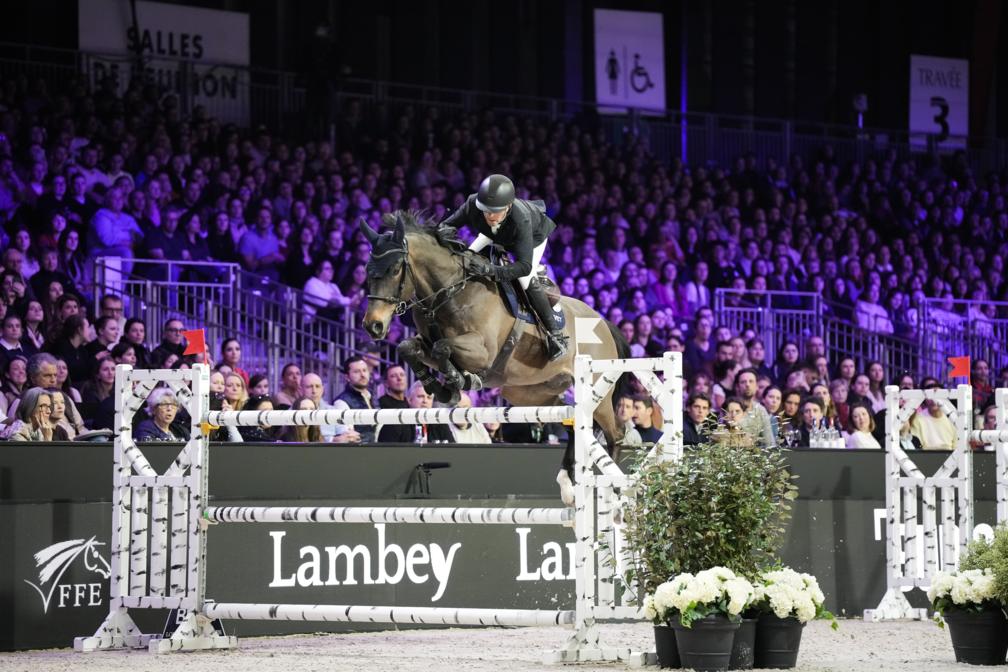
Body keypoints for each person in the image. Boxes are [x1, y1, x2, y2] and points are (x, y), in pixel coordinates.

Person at [443, 174, 568, 361]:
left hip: (531, 238)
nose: (489, 215)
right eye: (485, 210)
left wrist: (490, 271)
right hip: (494, 234)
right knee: (466, 258)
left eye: (495, 211)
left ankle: (555, 337)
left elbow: (524, 266)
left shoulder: (521, 219)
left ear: (508, 207)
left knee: (526, 279)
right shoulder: (472, 203)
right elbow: (447, 225)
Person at [378, 381, 454, 443]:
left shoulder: (439, 423)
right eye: (420, 396)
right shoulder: (396, 422)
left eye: (429, 397)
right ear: (409, 400)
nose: (425, 401)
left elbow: (453, 450)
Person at [303, 372, 360, 443]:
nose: (314, 391)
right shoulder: (292, 412)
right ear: (300, 389)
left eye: (317, 386)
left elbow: (343, 434)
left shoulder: (332, 411)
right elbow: (304, 439)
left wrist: (350, 436)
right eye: (309, 387)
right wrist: (333, 440)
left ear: (322, 390)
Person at [332, 356, 375, 442]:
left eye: (364, 370)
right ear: (347, 377)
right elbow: (348, 437)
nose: (362, 375)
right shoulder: (341, 402)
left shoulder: (372, 396)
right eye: (357, 371)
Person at [909, 381, 958, 450]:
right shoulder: (918, 419)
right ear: (925, 398)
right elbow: (917, 447)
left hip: (951, 456)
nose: (934, 400)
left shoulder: (953, 418)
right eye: (930, 396)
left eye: (937, 396)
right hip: (926, 457)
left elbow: (957, 446)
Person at [734, 368, 776, 447]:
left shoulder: (761, 410)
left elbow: (770, 443)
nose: (747, 385)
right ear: (737, 387)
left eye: (751, 381)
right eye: (743, 382)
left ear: (756, 386)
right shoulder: (729, 408)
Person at [45, 313, 89, 385]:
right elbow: (72, 372)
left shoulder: (82, 350)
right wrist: (95, 360)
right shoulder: (60, 347)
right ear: (80, 330)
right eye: (88, 327)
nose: (90, 331)